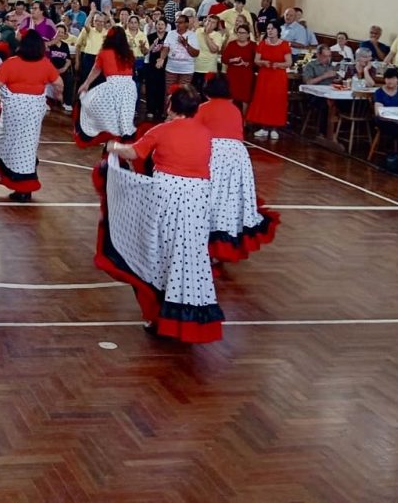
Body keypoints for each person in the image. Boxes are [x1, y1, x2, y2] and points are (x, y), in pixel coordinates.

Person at [96, 85, 221, 342]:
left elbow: (134, 152)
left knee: (160, 253)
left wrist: (112, 147)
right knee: (190, 254)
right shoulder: (206, 133)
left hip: (168, 195)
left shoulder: (162, 130)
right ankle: (189, 316)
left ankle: (160, 314)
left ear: (171, 106)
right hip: (198, 197)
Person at [196, 76, 279, 262]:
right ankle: (225, 240)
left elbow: (196, 132)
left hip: (215, 152)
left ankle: (207, 242)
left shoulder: (203, 108)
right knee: (229, 197)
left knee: (212, 196)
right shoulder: (234, 109)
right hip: (237, 154)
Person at [0, 31, 59, 202]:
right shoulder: (45, 64)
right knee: (28, 147)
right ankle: (24, 188)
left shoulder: (11, 64)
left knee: (9, 144)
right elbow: (59, 83)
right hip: (34, 114)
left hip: (14, 112)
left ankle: (20, 185)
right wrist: (57, 95)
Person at [74, 24, 137, 145]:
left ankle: (110, 136)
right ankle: (125, 138)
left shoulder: (104, 53)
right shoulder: (129, 53)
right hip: (130, 86)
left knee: (93, 104)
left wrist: (86, 84)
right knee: (124, 114)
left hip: (113, 86)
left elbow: (96, 70)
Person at [249, 21, 293, 140]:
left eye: (272, 28)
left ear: (278, 30)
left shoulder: (284, 45)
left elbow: (289, 62)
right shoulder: (262, 44)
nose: (270, 31)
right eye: (268, 29)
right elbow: (256, 60)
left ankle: (275, 128)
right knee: (263, 99)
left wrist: (279, 64)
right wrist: (263, 62)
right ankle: (263, 127)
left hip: (278, 77)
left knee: (276, 100)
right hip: (265, 75)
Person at [158, 10, 200, 90]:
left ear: (186, 24)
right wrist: (162, 58)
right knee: (169, 92)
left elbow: (196, 54)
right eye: (176, 22)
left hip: (186, 69)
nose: (177, 24)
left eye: (180, 22)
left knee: (183, 93)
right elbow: (166, 48)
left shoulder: (192, 35)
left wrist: (186, 44)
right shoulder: (171, 33)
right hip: (171, 68)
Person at [220, 23, 257, 110]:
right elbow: (224, 59)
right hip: (233, 74)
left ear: (248, 34)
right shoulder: (232, 44)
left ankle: (244, 120)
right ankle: (230, 117)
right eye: (239, 33)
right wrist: (232, 60)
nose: (240, 35)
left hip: (246, 75)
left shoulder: (253, 45)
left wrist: (247, 63)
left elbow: (257, 61)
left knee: (245, 97)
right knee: (231, 96)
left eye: (243, 33)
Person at [142, 17, 169, 121]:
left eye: (162, 24)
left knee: (162, 88)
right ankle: (150, 110)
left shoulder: (169, 36)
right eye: (158, 24)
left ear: (166, 26)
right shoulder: (150, 36)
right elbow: (146, 52)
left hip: (165, 66)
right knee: (151, 87)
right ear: (155, 25)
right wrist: (153, 44)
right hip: (152, 66)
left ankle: (161, 109)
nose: (160, 26)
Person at [46, 25, 76, 114]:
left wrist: (64, 68)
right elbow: (46, 59)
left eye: (62, 32)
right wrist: (53, 70)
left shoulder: (65, 45)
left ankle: (67, 103)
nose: (60, 34)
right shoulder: (49, 44)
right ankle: (46, 102)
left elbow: (68, 60)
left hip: (62, 70)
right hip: (50, 70)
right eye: (58, 31)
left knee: (69, 79)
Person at [191, 15, 223, 91]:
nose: (210, 24)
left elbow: (214, 50)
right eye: (209, 21)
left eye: (213, 22)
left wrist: (206, 34)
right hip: (195, 68)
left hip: (209, 69)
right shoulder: (197, 31)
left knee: (207, 92)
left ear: (216, 25)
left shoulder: (217, 35)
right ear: (205, 21)